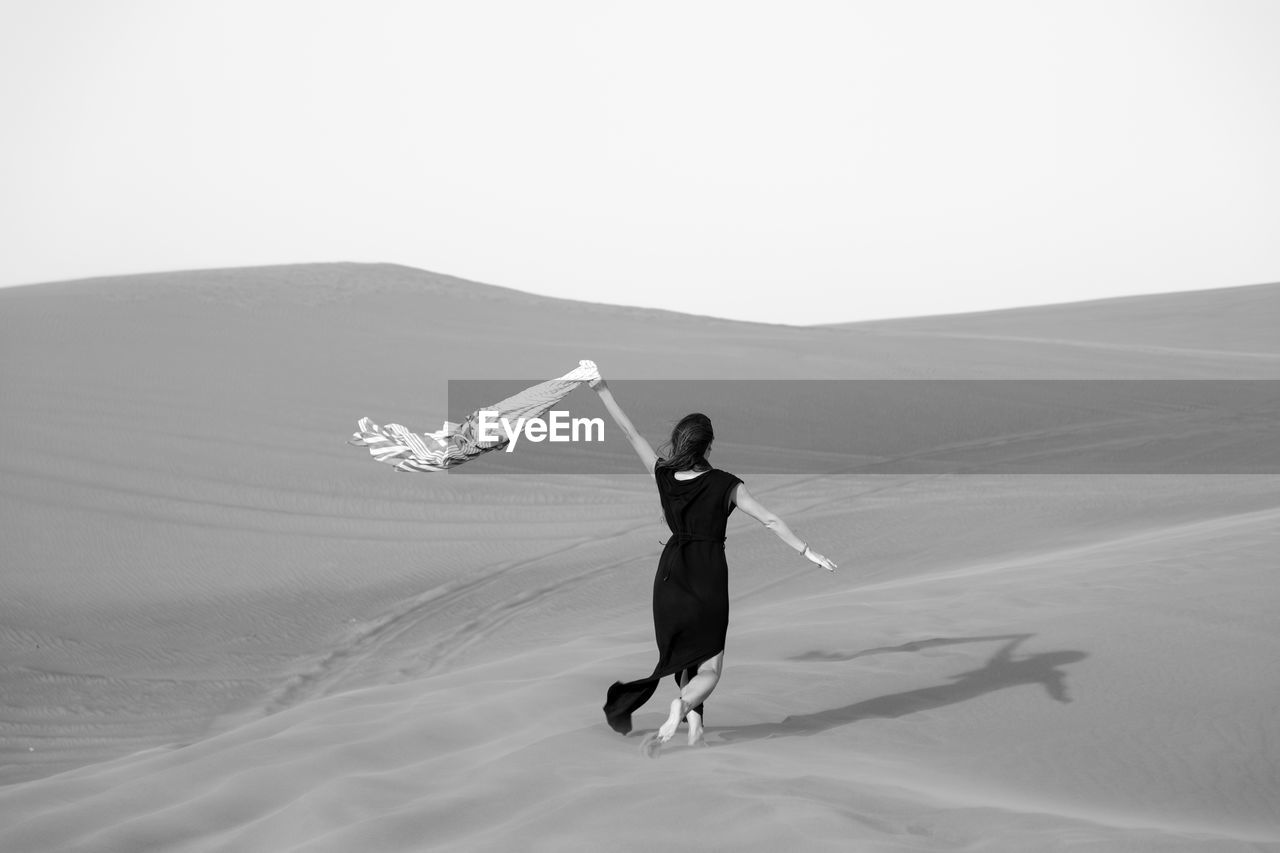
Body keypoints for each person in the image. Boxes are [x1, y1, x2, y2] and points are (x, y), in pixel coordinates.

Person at [591, 372, 837, 748]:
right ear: (709, 446)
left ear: (680, 442)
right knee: (709, 667)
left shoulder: (664, 475)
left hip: (669, 579)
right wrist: (808, 551)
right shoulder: (726, 484)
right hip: (708, 578)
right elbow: (769, 519)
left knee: (684, 656)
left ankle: (697, 731)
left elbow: (630, 433)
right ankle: (681, 706)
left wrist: (601, 389)